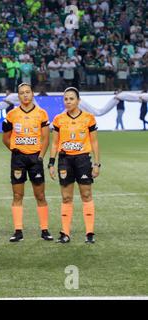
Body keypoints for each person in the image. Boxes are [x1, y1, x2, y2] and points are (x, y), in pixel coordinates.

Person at [2, 83, 53, 242]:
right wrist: (16, 151)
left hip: (35, 159)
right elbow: (5, 138)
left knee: (40, 195)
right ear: (18, 96)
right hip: (18, 159)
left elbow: (46, 138)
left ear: (32, 94)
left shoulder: (41, 114)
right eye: (22, 93)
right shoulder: (12, 115)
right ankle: (18, 231)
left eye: (28, 92)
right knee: (18, 195)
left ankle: (44, 230)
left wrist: (41, 156)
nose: (25, 95)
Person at [48, 87, 100, 244]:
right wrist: (51, 163)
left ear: (78, 100)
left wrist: (97, 164)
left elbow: (94, 141)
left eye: (71, 98)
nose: (68, 101)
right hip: (65, 160)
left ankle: (89, 233)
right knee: (66, 197)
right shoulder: (58, 119)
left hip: (83, 160)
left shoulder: (89, 118)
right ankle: (65, 233)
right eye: (66, 99)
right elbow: (55, 143)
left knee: (86, 195)